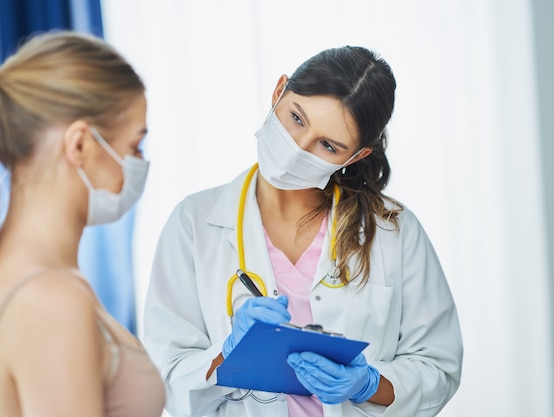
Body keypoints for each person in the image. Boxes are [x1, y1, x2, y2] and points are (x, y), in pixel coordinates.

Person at [143, 45, 462, 417]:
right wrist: (227, 353)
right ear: (279, 91)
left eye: (327, 145)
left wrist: (369, 384)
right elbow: (165, 376)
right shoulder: (194, 223)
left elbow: (439, 367)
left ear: (356, 156)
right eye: (297, 118)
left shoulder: (393, 230)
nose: (298, 148)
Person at [0, 31, 165, 417]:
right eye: (134, 146)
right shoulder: (49, 302)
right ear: (80, 144)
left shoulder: (27, 281)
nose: (139, 163)